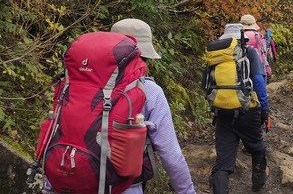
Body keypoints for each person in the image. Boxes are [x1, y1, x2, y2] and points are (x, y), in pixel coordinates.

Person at [42, 19, 196, 194]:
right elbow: (171, 154)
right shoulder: (149, 91)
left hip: (64, 182)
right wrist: (187, 191)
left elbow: (59, 132)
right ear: (143, 55)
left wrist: (50, 186)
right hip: (122, 188)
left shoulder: (72, 85)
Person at [111, 19, 196, 194]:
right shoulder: (149, 90)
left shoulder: (79, 83)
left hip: (77, 180)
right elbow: (171, 155)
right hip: (126, 186)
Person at [209, 23, 270, 193]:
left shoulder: (216, 55)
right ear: (241, 37)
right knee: (258, 147)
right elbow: (258, 81)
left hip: (221, 112)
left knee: (223, 162)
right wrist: (264, 109)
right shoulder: (249, 51)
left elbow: (207, 85)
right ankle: (257, 184)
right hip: (247, 111)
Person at [240, 14, 271, 84]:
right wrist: (267, 66)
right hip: (258, 65)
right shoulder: (258, 36)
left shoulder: (238, 36)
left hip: (241, 64)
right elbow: (263, 53)